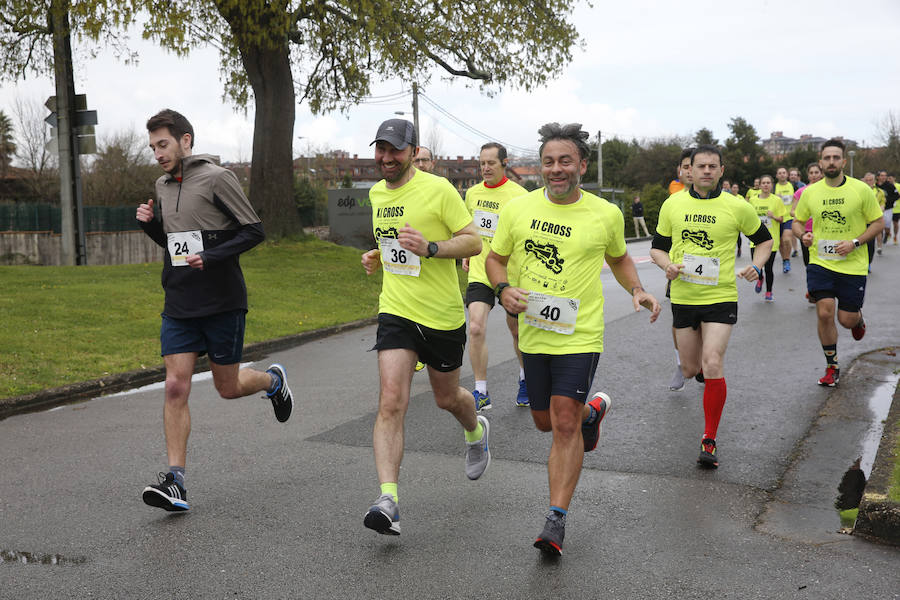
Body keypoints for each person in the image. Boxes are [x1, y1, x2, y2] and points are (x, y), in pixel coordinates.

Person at [486, 122, 660, 556]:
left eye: (565, 161)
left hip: (580, 334)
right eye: (549, 162)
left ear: (582, 165)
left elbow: (619, 258)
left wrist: (637, 289)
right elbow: (495, 258)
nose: (556, 169)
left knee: (562, 423)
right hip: (534, 332)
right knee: (545, 420)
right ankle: (591, 413)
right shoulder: (518, 210)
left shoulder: (605, 213)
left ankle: (555, 519)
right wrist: (502, 289)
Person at [136, 109, 293, 512]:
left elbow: (254, 231)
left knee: (228, 387)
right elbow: (175, 244)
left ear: (186, 140)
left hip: (222, 302)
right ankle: (176, 482)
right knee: (175, 386)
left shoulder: (217, 178)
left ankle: (273, 382)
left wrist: (212, 255)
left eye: (163, 144)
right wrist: (151, 226)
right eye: (153, 147)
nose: (158, 153)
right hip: (179, 301)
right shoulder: (161, 185)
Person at [360, 119, 488, 536]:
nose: (385, 158)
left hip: (442, 317)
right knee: (391, 400)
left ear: (413, 152)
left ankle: (475, 431)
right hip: (396, 311)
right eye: (380, 149)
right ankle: (388, 500)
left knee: (447, 398)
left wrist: (431, 248)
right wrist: (378, 254)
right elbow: (392, 242)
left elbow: (473, 241)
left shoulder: (439, 189)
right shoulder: (377, 193)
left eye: (394, 150)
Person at [650, 144, 773, 469]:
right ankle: (702, 369)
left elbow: (764, 240)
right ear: (689, 170)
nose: (706, 171)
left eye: (712, 166)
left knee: (713, 361)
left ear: (721, 170)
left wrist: (757, 266)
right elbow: (657, 249)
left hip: (721, 296)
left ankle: (709, 439)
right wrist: (667, 265)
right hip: (684, 297)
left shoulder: (737, 206)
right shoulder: (673, 204)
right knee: (691, 369)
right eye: (700, 166)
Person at [793, 139, 883, 387]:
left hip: (852, 264)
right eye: (827, 158)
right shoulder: (810, 192)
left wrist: (855, 242)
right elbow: (797, 222)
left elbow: (877, 223)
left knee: (846, 320)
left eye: (835, 157)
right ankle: (832, 366)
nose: (831, 162)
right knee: (824, 311)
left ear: (843, 161)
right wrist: (803, 235)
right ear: (820, 162)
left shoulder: (860, 189)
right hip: (821, 262)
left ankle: (858, 319)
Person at [463, 142, 529, 410]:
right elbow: (468, 228)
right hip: (480, 271)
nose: (485, 168)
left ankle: (525, 378)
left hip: (509, 274)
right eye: (482, 163)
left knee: (517, 331)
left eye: (491, 162)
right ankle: (481, 391)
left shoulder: (520, 196)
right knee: (475, 327)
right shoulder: (472, 194)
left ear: (504, 163)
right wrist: (467, 251)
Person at [667, 148, 695, 392]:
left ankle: (703, 360)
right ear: (680, 170)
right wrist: (665, 262)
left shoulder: (719, 200)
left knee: (706, 323)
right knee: (678, 322)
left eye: (693, 166)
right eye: (685, 166)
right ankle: (680, 362)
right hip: (679, 272)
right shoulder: (672, 201)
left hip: (711, 276)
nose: (690, 171)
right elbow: (662, 240)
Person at [747, 175, 784, 301]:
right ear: (760, 185)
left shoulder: (777, 200)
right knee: (757, 266)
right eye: (763, 183)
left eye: (768, 183)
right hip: (755, 239)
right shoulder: (753, 200)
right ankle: (760, 278)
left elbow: (781, 219)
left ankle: (769, 292)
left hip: (771, 240)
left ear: (772, 185)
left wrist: (773, 216)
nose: (766, 185)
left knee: (768, 268)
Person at [791, 163, 824, 274]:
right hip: (806, 231)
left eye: (816, 172)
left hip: (823, 230)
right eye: (811, 173)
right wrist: (804, 214)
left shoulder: (828, 190)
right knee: (808, 262)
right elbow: (792, 211)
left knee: (823, 260)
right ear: (808, 175)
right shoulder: (801, 192)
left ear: (821, 174)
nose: (814, 175)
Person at [774, 166, 797, 272]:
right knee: (780, 243)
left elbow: (798, 198)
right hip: (778, 218)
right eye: (780, 173)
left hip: (789, 217)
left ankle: (787, 259)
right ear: (777, 175)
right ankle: (784, 260)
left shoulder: (793, 186)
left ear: (787, 175)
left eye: (784, 172)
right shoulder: (774, 187)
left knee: (786, 239)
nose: (782, 174)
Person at [863, 172, 885, 259]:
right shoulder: (860, 191)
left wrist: (880, 210)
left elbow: (883, 203)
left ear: (874, 181)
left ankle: (879, 247)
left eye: (871, 180)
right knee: (863, 243)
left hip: (874, 220)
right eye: (867, 180)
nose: (869, 182)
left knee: (871, 245)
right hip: (862, 221)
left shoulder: (880, 192)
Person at [876, 170, 898, 245]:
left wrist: (887, 200)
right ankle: (880, 239)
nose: (884, 177)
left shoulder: (890, 185)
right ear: (878, 177)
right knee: (879, 224)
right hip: (877, 209)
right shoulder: (875, 186)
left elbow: (897, 195)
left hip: (888, 209)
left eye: (885, 175)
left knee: (887, 226)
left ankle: (887, 233)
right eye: (882, 175)